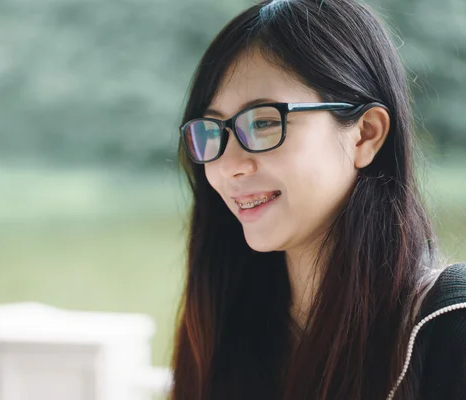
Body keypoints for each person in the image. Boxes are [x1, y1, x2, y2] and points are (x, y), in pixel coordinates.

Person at [170, 0, 466, 399]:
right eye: (211, 132)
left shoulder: (450, 326)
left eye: (263, 123)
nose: (228, 166)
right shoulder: (227, 325)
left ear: (365, 135)